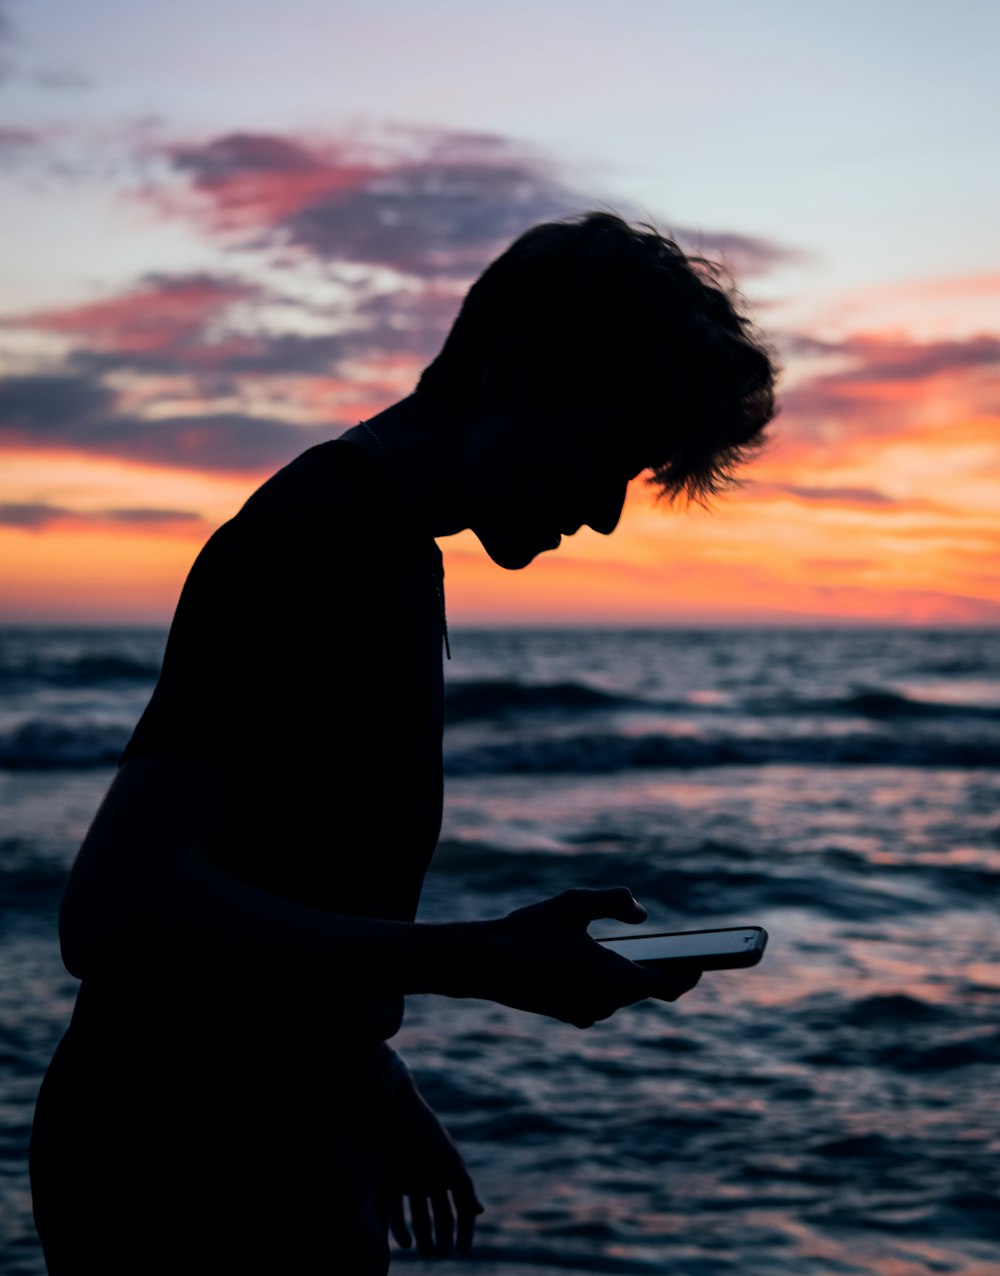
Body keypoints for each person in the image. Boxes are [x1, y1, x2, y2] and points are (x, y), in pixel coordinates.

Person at [30, 212, 776, 1273]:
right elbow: (117, 914)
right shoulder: (316, 544)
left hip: (265, 1125)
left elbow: (281, 861)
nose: (608, 514)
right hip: (194, 1164)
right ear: (514, 380)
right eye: (608, 456)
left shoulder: (380, 545)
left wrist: (368, 1072)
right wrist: (488, 959)